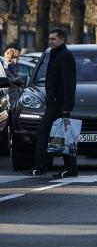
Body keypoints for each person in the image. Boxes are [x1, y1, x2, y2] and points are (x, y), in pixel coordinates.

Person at [25, 29, 77, 178]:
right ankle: (66, 168)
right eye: (49, 39)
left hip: (59, 104)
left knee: (46, 132)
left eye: (53, 39)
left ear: (61, 40)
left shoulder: (65, 56)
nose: (50, 41)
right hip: (55, 103)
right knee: (62, 135)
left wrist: (67, 107)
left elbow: (69, 83)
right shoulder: (56, 55)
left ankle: (42, 167)